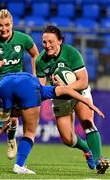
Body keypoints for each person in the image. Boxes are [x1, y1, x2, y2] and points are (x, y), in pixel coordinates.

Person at [0, 72, 104, 174]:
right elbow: (66, 90)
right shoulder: (45, 90)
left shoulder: (35, 84)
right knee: (29, 132)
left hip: (3, 84)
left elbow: (13, 111)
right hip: (26, 88)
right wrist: (88, 102)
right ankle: (19, 166)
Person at [36, 25, 110, 174]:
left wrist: (66, 86)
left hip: (79, 91)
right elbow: (40, 88)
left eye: (51, 42)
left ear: (60, 41)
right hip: (60, 97)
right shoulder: (40, 61)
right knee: (67, 139)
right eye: (44, 42)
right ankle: (86, 149)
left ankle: (98, 162)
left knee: (88, 122)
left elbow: (83, 81)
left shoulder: (71, 53)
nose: (47, 45)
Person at [0, 9, 39, 160]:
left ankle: (11, 139)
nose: (4, 29)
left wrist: (36, 76)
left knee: (13, 118)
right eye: (0, 25)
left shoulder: (23, 39)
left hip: (13, 83)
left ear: (12, 24)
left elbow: (35, 54)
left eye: (7, 25)